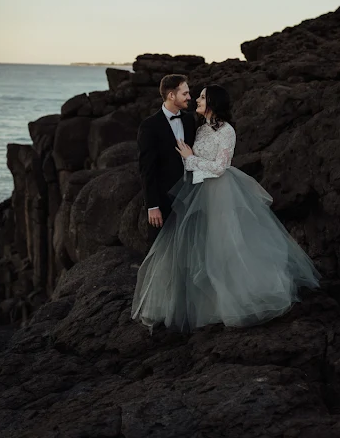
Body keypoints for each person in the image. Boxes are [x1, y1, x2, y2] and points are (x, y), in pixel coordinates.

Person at [132, 84, 320, 332]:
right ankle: (211, 304)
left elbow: (220, 167)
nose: (196, 99)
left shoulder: (227, 131)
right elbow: (190, 165)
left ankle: (240, 300)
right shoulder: (199, 129)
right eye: (194, 95)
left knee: (226, 246)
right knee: (205, 248)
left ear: (213, 102)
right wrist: (188, 163)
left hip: (221, 192)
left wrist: (190, 159)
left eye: (201, 97)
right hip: (199, 191)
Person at [137, 74, 197, 232]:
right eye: (184, 94)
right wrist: (152, 206)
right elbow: (146, 168)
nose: (189, 97)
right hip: (164, 201)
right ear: (171, 95)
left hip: (190, 197)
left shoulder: (190, 120)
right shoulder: (149, 126)